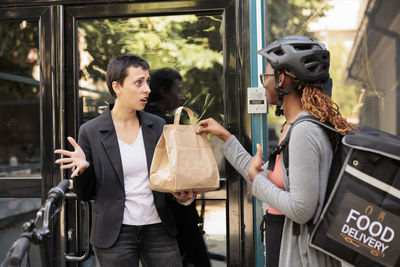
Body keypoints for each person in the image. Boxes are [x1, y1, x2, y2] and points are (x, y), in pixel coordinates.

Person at [197, 35, 354, 267]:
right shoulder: (293, 127)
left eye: (266, 76)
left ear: (283, 79)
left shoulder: (304, 131)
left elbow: (301, 210)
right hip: (283, 239)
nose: (264, 83)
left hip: (298, 252)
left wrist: (256, 182)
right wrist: (224, 137)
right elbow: (263, 178)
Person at [54, 54, 193, 267]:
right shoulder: (90, 131)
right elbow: (84, 194)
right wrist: (84, 170)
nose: (147, 88)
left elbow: (170, 176)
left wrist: (182, 195)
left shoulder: (158, 126)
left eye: (147, 81)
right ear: (117, 86)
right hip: (114, 233)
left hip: (158, 229)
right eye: (139, 82)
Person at [145, 68, 212, 267]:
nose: (182, 97)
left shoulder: (138, 123)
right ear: (164, 91)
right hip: (175, 215)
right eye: (178, 90)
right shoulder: (166, 127)